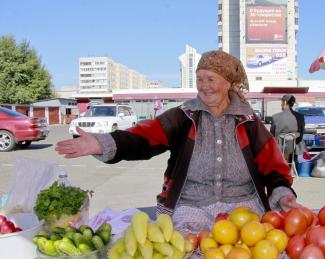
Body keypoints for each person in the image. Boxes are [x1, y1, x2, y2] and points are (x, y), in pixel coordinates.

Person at [55, 50, 301, 232]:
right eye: (200, 78)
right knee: (186, 257)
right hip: (191, 206)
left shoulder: (248, 121)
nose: (204, 86)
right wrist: (101, 144)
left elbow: (273, 163)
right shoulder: (184, 116)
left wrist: (282, 193)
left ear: (227, 83)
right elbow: (144, 136)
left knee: (250, 256)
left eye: (211, 79)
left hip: (244, 207)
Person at [270, 95, 305, 161]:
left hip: (280, 150)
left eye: (282, 102)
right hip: (295, 149)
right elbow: (301, 134)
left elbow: (272, 134)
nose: (281, 104)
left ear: (285, 102)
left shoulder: (276, 117)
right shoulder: (300, 116)